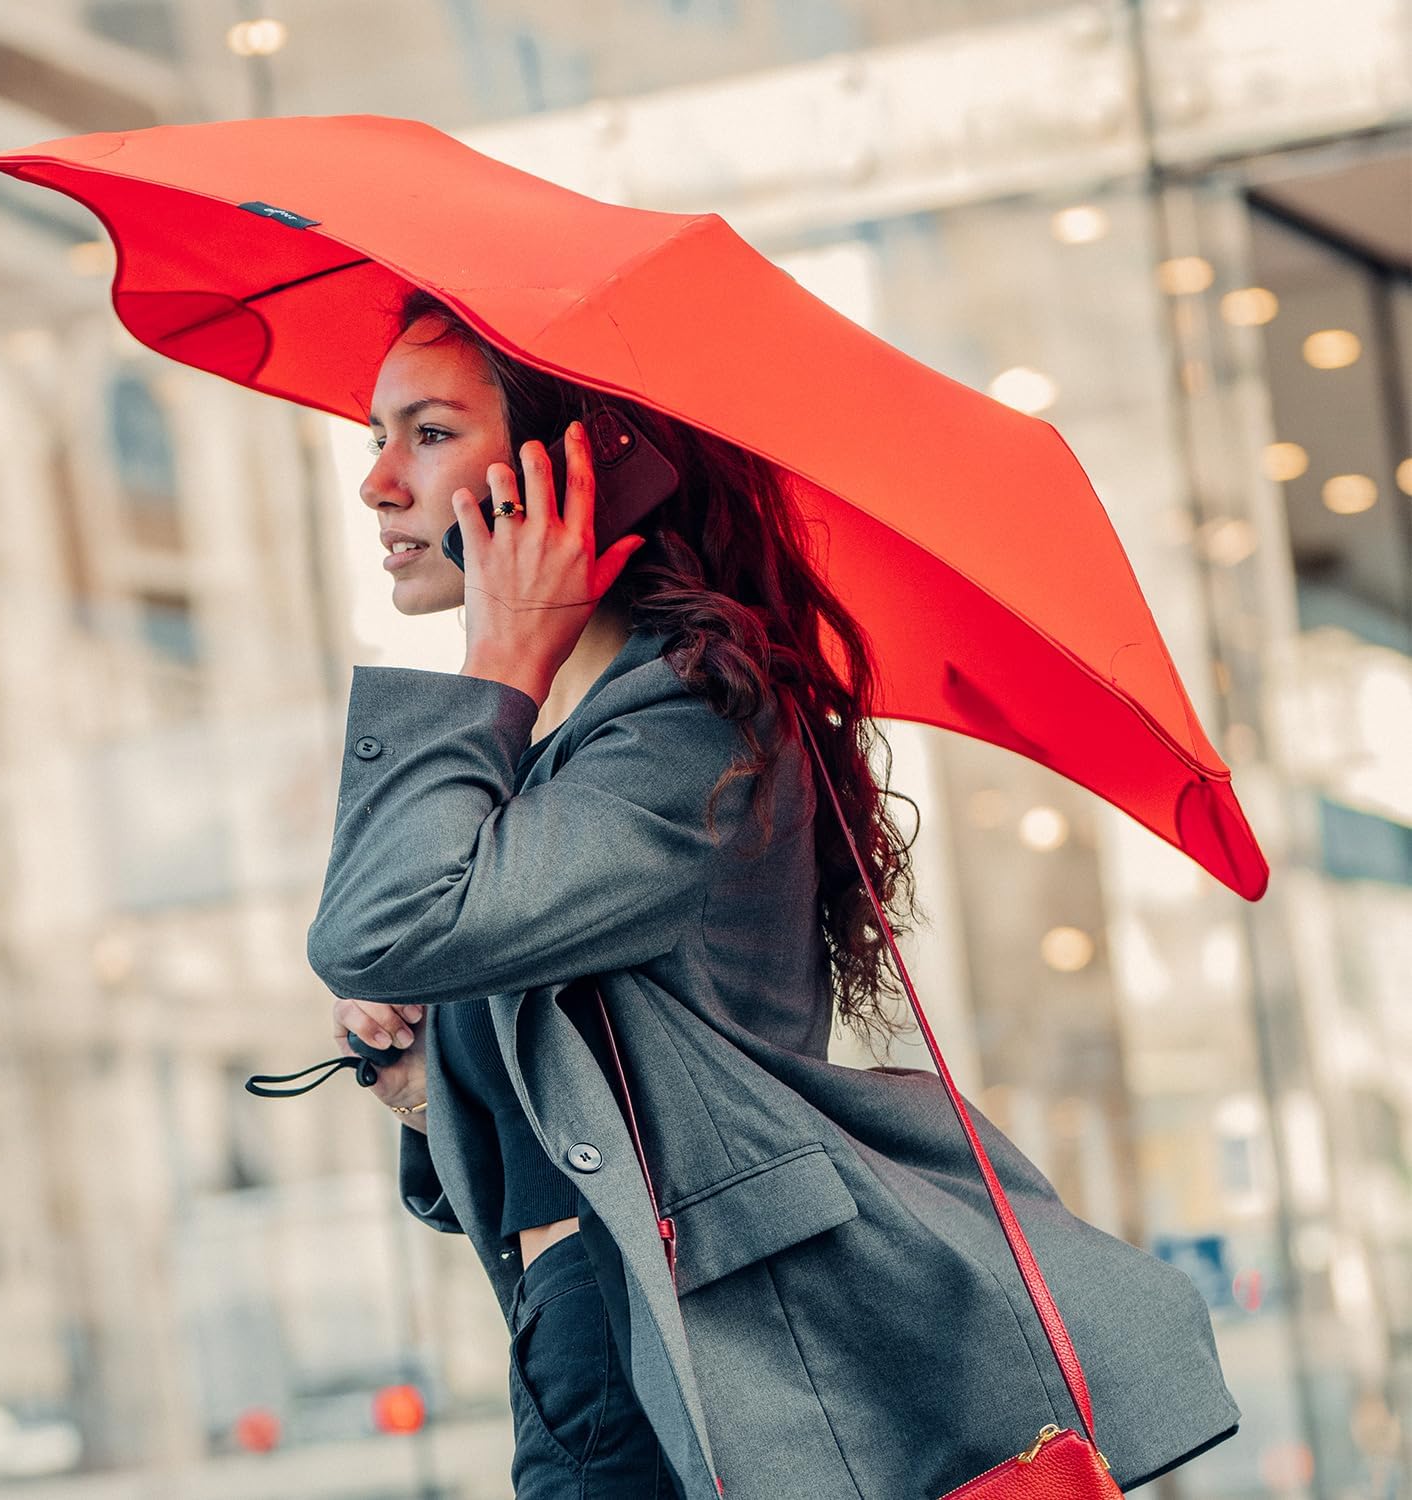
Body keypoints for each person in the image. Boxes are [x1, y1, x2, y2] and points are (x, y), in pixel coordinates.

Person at [307, 289, 1243, 1499]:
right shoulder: (556, 760)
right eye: (376, 437)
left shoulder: (683, 727)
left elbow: (378, 930)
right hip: (597, 1340)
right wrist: (428, 1088)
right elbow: (581, 1096)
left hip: (674, 1354)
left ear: (578, 470)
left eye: (429, 435)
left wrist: (498, 656)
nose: (377, 484)